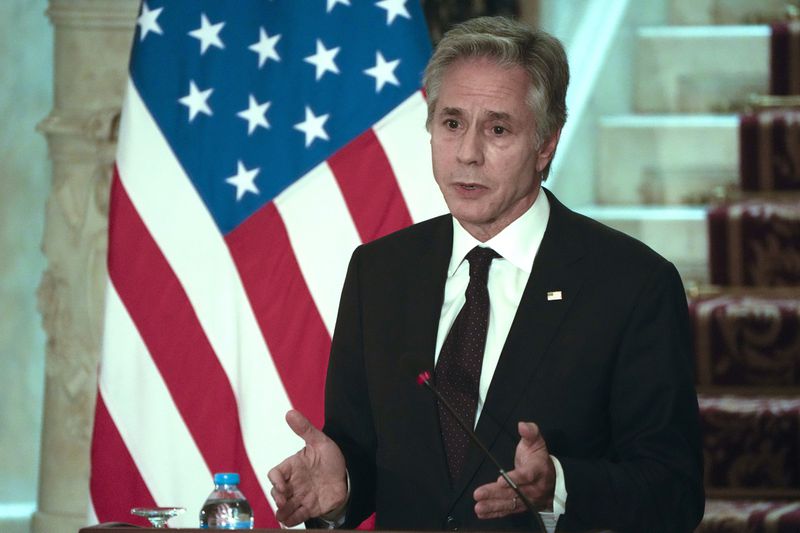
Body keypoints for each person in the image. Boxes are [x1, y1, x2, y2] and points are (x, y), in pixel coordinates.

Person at [268, 16, 704, 533]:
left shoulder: (632, 284)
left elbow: (673, 493)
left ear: (546, 144)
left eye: (498, 129)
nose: (468, 153)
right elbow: (364, 459)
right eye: (451, 123)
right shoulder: (379, 272)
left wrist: (559, 485)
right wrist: (340, 494)